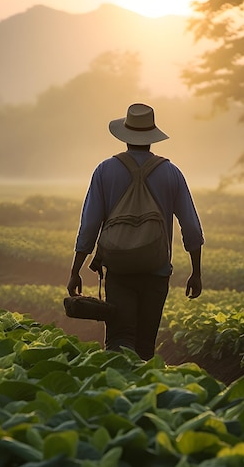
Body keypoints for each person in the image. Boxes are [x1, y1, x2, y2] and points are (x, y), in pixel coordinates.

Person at [67, 102, 204, 360]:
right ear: (152, 138)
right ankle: (143, 394)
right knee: (144, 347)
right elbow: (192, 228)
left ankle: (119, 393)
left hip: (119, 272)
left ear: (125, 136)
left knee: (120, 341)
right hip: (157, 272)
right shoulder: (171, 173)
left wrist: (75, 271)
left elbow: (89, 227)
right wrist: (196, 273)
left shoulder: (105, 171)